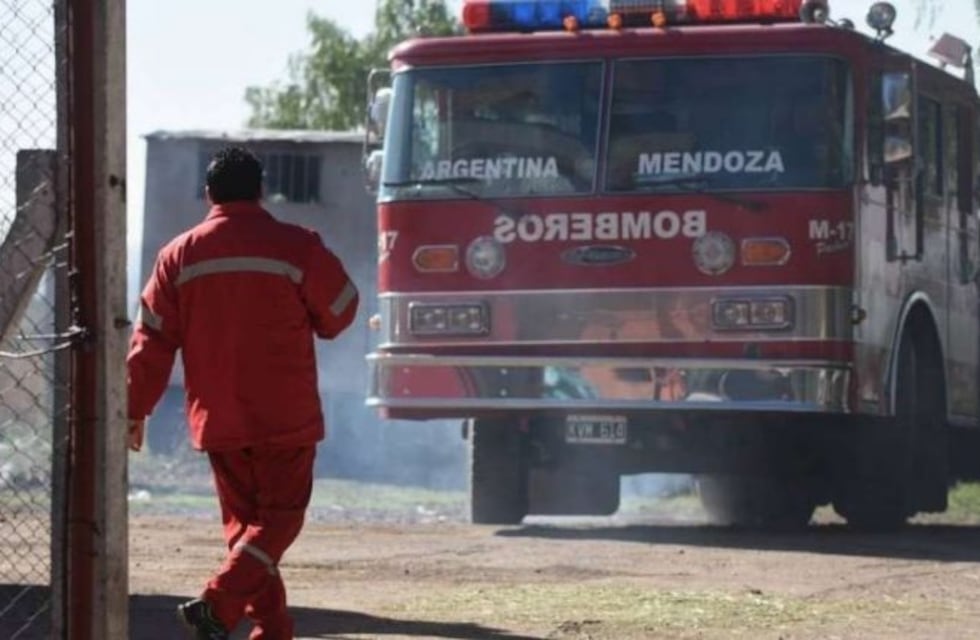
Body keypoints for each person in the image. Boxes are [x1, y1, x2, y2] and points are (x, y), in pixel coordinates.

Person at [127, 146, 359, 640]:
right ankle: (218, 602)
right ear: (261, 190)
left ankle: (272, 631)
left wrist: (134, 408)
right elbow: (340, 311)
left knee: (244, 529)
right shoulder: (298, 246)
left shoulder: (178, 255)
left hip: (220, 420)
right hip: (286, 417)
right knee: (279, 522)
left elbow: (151, 341)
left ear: (209, 193)